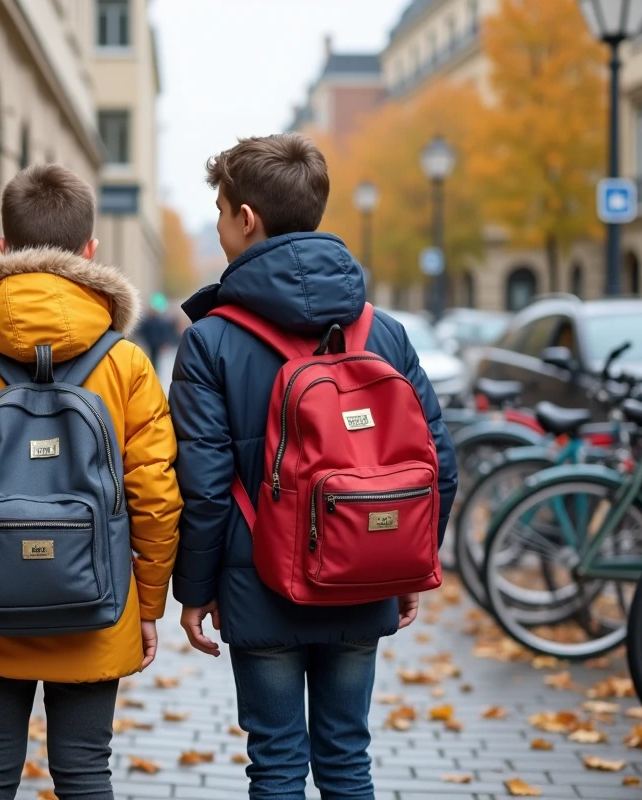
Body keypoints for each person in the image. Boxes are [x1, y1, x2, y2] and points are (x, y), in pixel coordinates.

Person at [169, 134, 457, 800]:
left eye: (218, 210)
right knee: (347, 755)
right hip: (364, 572)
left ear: (247, 218)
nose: (216, 227)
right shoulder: (382, 332)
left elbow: (207, 488)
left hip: (259, 581)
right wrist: (406, 560)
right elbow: (437, 461)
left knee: (274, 761)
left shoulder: (211, 340)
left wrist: (195, 590)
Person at [0, 163, 182, 800]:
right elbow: (157, 496)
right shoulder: (125, 362)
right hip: (98, 601)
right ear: (91, 252)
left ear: (4, 249)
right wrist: (148, 605)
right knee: (87, 771)